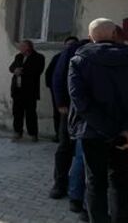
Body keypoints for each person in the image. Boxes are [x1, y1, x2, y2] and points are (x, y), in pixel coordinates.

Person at [69, 18, 128, 223]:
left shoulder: (79, 62)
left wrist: (108, 130)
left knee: (95, 183)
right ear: (115, 35)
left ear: (91, 38)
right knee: (120, 183)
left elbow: (80, 102)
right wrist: (126, 130)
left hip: (93, 133)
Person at [50, 36, 85, 199]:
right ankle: (60, 183)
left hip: (94, 112)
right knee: (65, 147)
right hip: (71, 109)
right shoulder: (73, 50)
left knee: (85, 151)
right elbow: (57, 77)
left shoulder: (113, 53)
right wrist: (61, 103)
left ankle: (80, 190)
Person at [9, 39, 45, 142]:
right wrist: (15, 70)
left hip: (30, 91)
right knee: (17, 113)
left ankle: (33, 134)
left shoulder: (38, 57)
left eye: (22, 46)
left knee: (30, 113)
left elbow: (38, 71)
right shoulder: (18, 56)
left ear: (28, 47)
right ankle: (17, 132)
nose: (20, 48)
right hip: (17, 90)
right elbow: (11, 67)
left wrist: (22, 71)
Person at [46, 38, 76, 142]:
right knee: (59, 115)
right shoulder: (58, 57)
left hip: (74, 93)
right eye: (68, 44)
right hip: (59, 92)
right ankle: (58, 135)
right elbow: (50, 74)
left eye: (72, 44)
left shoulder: (80, 57)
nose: (69, 46)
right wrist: (52, 87)